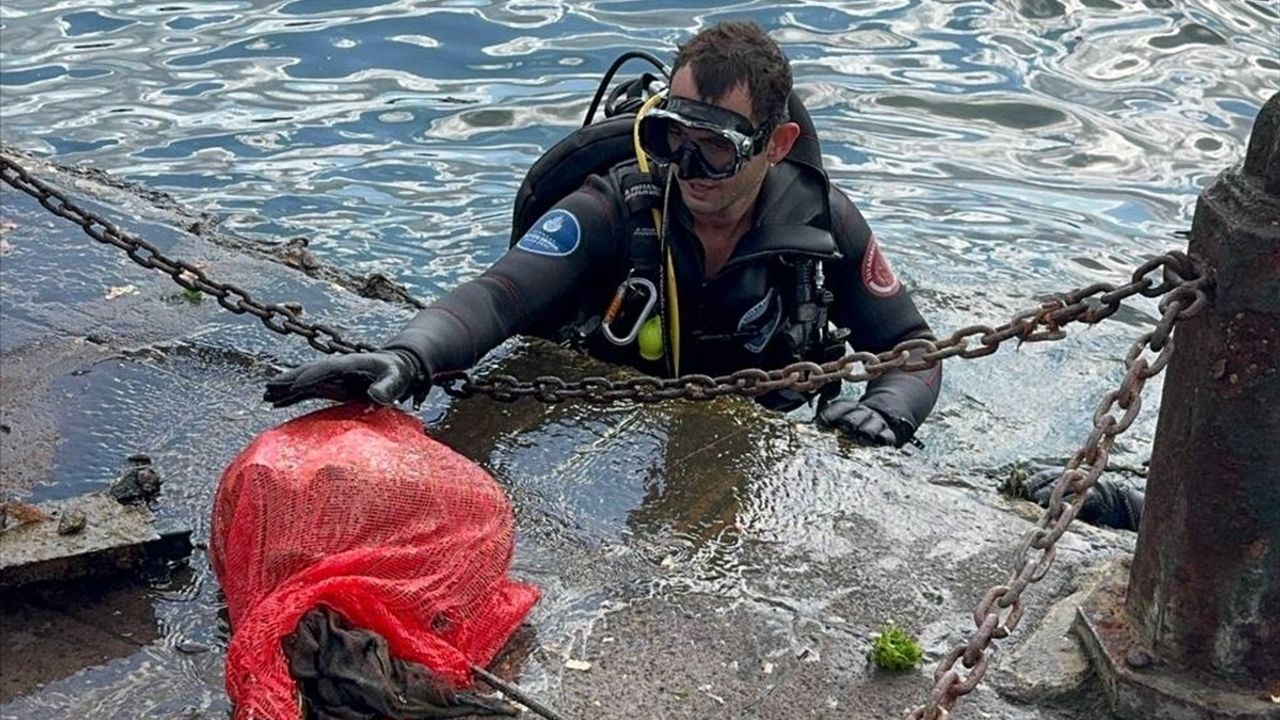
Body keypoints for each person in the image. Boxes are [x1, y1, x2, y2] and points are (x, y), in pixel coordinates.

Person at [264, 21, 943, 448]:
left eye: (715, 148)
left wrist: (888, 409)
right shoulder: (618, 206)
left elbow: (912, 345)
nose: (687, 168)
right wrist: (407, 356)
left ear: (777, 144)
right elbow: (500, 294)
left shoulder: (822, 221)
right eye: (673, 137)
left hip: (769, 417)